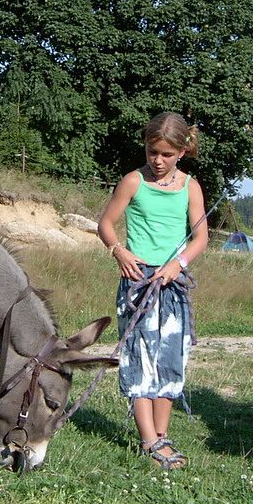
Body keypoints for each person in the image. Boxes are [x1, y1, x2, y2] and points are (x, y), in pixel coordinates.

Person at [97, 112, 208, 470]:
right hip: (138, 283)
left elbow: (201, 236)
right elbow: (106, 223)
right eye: (152, 152)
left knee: (169, 360)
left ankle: (162, 436)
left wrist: (180, 263)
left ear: (182, 151)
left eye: (166, 154)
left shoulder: (190, 187)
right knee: (139, 359)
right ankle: (149, 441)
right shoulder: (133, 181)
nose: (157, 161)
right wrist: (119, 250)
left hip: (172, 283)